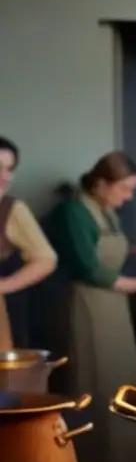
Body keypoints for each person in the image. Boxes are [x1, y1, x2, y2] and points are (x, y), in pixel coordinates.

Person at [47, 153, 136, 462]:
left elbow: (106, 252)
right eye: (124, 189)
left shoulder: (105, 211)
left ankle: (124, 461)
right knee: (94, 377)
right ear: (101, 184)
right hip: (88, 303)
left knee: (120, 374)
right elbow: (90, 269)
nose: (129, 197)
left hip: (114, 306)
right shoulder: (73, 212)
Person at [0, 137, 58, 349]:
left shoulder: (12, 210)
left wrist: (4, 286)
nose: (5, 177)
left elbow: (46, 260)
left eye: (9, 169)